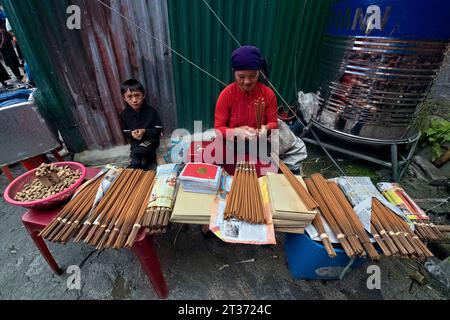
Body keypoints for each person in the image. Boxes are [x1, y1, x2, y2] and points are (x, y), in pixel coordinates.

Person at [214, 45, 278, 176]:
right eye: (241, 76)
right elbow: (218, 128)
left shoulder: (268, 94)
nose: (247, 81)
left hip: (258, 143)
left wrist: (266, 128)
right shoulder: (226, 94)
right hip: (233, 142)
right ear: (234, 72)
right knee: (213, 159)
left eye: (252, 76)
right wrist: (235, 131)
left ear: (259, 72)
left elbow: (274, 123)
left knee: (269, 169)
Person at [119, 79, 162, 171]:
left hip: (151, 140)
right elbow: (125, 132)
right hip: (136, 141)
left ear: (143, 95)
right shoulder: (124, 114)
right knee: (136, 156)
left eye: (137, 95)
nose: (134, 100)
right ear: (124, 98)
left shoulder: (151, 111)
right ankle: (136, 164)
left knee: (138, 152)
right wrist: (132, 134)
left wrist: (144, 131)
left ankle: (150, 162)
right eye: (129, 97)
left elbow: (158, 129)